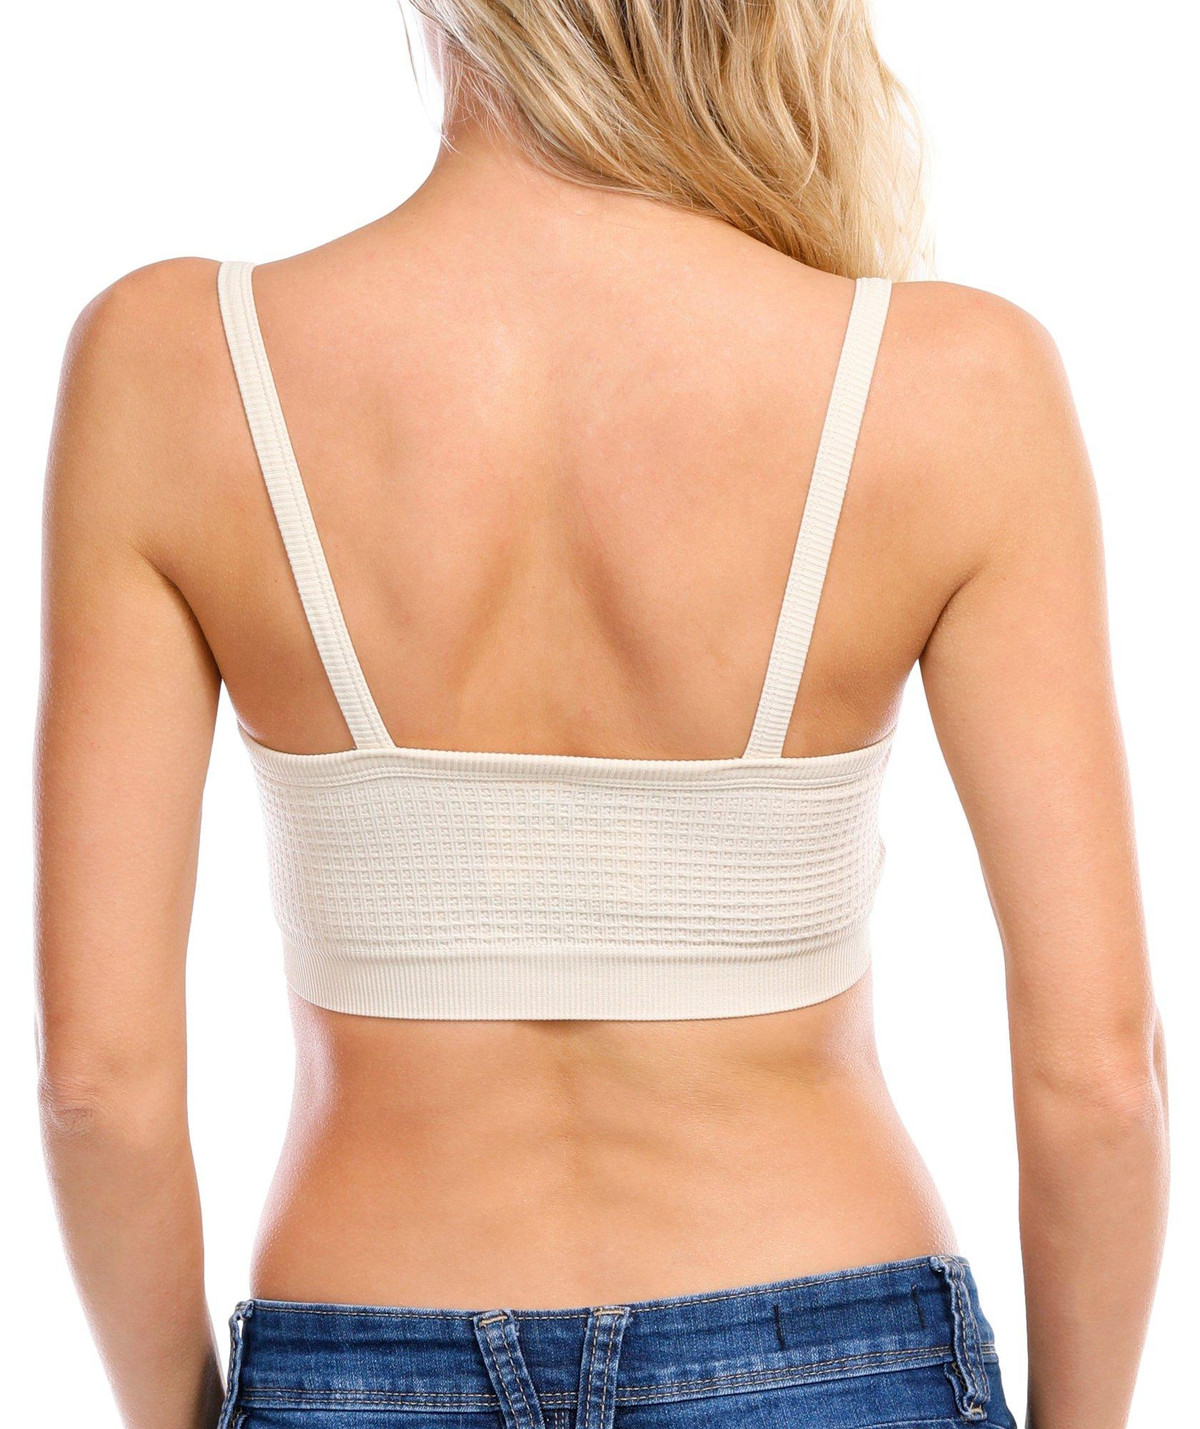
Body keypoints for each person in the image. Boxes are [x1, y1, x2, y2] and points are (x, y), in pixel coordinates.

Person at [34, 2, 1168, 1427]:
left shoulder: (173, 365)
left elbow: (96, 1086)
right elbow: (1100, 1078)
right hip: (830, 1349)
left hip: (367, 1346)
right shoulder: (952, 383)